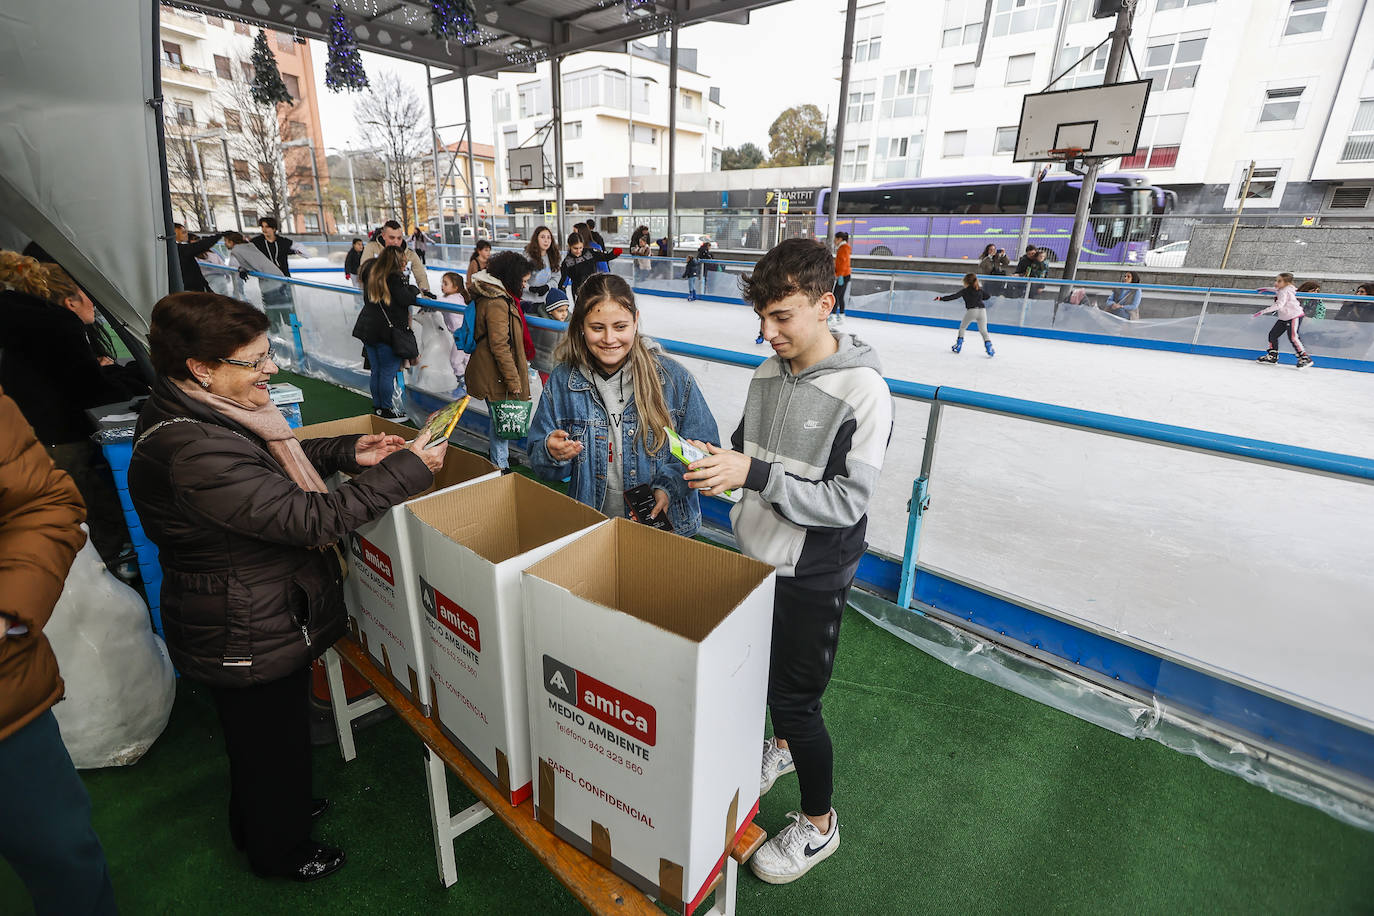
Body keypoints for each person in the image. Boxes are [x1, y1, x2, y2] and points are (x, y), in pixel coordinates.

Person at [129, 292, 444, 882]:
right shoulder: (192, 447)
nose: (269, 369)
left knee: (265, 740)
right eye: (254, 361)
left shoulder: (201, 411)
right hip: (242, 625)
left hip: (253, 611)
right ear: (202, 368)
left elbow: (270, 463)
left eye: (266, 354)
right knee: (267, 745)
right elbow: (309, 519)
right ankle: (279, 850)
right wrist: (407, 470)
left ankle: (268, 817)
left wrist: (354, 450)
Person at [682, 238, 892, 885]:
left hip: (812, 570)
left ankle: (819, 824)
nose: (768, 333)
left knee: (797, 702)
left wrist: (754, 472)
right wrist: (720, 467)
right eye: (762, 318)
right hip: (755, 558)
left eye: (783, 317)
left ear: (825, 304)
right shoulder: (768, 373)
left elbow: (846, 502)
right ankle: (777, 751)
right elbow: (748, 454)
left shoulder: (865, 391)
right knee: (759, 677)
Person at [0, 388, 119, 916]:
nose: (268, 369)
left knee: (60, 855)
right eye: (253, 362)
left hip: (7, 705)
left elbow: (42, 505)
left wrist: (8, 612)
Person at [529, 274, 719, 534]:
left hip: (665, 532)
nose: (609, 339)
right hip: (593, 528)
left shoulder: (673, 380)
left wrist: (668, 487)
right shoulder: (562, 383)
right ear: (581, 326)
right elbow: (539, 460)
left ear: (636, 321)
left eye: (620, 327)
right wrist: (552, 453)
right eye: (597, 327)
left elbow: (705, 451)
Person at [0, 254, 142, 571]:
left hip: (33, 433)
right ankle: (107, 570)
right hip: (59, 438)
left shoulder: (26, 324)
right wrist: (130, 379)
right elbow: (89, 389)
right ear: (70, 301)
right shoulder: (59, 327)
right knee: (97, 511)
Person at [465, 250, 536, 468]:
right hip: (493, 373)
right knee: (501, 419)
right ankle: (500, 466)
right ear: (512, 278)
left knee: (499, 418)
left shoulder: (498, 297)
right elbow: (500, 346)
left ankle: (499, 458)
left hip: (492, 370)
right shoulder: (497, 302)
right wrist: (514, 381)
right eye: (523, 281)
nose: (524, 286)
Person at [352, 247, 419, 419]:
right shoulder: (394, 278)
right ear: (397, 261)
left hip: (369, 329)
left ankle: (379, 408)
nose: (405, 262)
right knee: (387, 373)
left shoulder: (372, 275)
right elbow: (406, 299)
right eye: (403, 259)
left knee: (377, 371)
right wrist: (414, 289)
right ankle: (387, 410)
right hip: (387, 333)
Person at [1254, 272, 1312, 368]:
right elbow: (1275, 289)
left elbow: (1279, 305)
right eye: (1276, 280)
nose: (1276, 283)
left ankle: (1305, 357)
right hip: (1284, 317)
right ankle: (1272, 356)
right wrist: (1264, 289)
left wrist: (1262, 312)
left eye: (1279, 281)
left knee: (1293, 337)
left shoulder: (1284, 291)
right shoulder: (1282, 289)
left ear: (1287, 283)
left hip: (1294, 316)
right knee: (1273, 334)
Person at [359, 220, 430, 295]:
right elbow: (364, 272)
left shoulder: (410, 254)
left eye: (399, 238)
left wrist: (426, 300)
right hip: (377, 299)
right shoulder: (372, 248)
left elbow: (421, 277)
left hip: (402, 300)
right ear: (383, 235)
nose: (396, 242)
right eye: (392, 238)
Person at [936, 272, 994, 356]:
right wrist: (980, 296)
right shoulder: (979, 290)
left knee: (962, 327)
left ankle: (958, 345)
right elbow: (987, 296)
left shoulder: (965, 291)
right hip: (982, 311)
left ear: (966, 282)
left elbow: (954, 296)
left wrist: (941, 298)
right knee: (984, 331)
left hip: (972, 311)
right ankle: (989, 348)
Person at [222, 231, 287, 305]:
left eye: (226, 241)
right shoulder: (249, 246)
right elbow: (251, 262)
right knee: (282, 305)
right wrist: (243, 269)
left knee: (272, 307)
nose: (225, 244)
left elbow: (247, 265)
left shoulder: (236, 250)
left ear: (231, 242)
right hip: (278, 276)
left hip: (269, 281)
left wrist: (242, 269)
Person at [559, 233, 621, 303]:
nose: (578, 251)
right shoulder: (567, 262)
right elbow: (562, 281)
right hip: (579, 292)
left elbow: (605, 256)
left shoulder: (590, 252)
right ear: (570, 246)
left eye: (580, 248)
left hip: (594, 288)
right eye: (575, 248)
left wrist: (615, 253)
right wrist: (560, 297)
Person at [437, 271, 470, 393]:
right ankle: (470, 382)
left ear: (455, 288)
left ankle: (463, 384)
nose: (442, 286)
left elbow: (437, 303)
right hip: (465, 333)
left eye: (446, 283)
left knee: (455, 360)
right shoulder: (458, 297)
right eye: (442, 283)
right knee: (467, 358)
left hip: (461, 334)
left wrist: (427, 302)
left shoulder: (452, 299)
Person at [174, 223, 224, 293]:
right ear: (175, 234)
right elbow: (202, 245)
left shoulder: (178, 249)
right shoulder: (180, 249)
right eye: (183, 232)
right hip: (191, 290)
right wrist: (219, 236)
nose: (186, 235)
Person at [523, 226, 560, 310]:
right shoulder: (527, 257)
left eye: (549, 237)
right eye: (542, 237)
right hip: (527, 300)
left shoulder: (553, 256)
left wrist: (547, 286)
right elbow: (519, 278)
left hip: (545, 301)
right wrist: (530, 288)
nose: (546, 240)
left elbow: (556, 277)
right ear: (536, 239)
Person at [831, 232, 852, 326]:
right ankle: (842, 316)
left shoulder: (843, 248)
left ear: (840, 239)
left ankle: (834, 316)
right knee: (840, 296)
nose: (834, 241)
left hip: (843, 275)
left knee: (835, 296)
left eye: (835, 239)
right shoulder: (844, 248)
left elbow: (843, 263)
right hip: (844, 275)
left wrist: (839, 275)